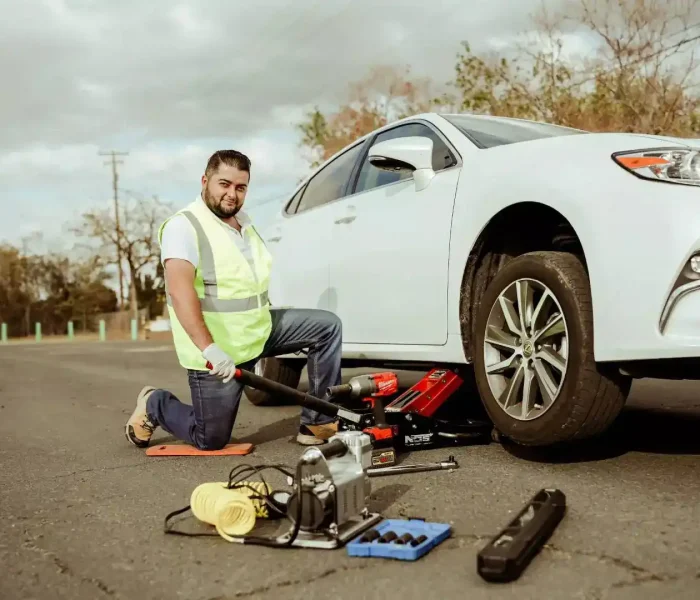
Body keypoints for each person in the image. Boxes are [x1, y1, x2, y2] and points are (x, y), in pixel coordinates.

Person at [125, 149, 341, 450]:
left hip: (259, 331)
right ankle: (155, 403)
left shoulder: (244, 224)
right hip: (217, 351)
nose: (232, 194)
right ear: (205, 181)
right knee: (210, 439)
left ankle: (317, 423)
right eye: (224, 184)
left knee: (326, 327)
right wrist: (210, 349)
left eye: (240, 187)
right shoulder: (183, 227)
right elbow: (179, 290)